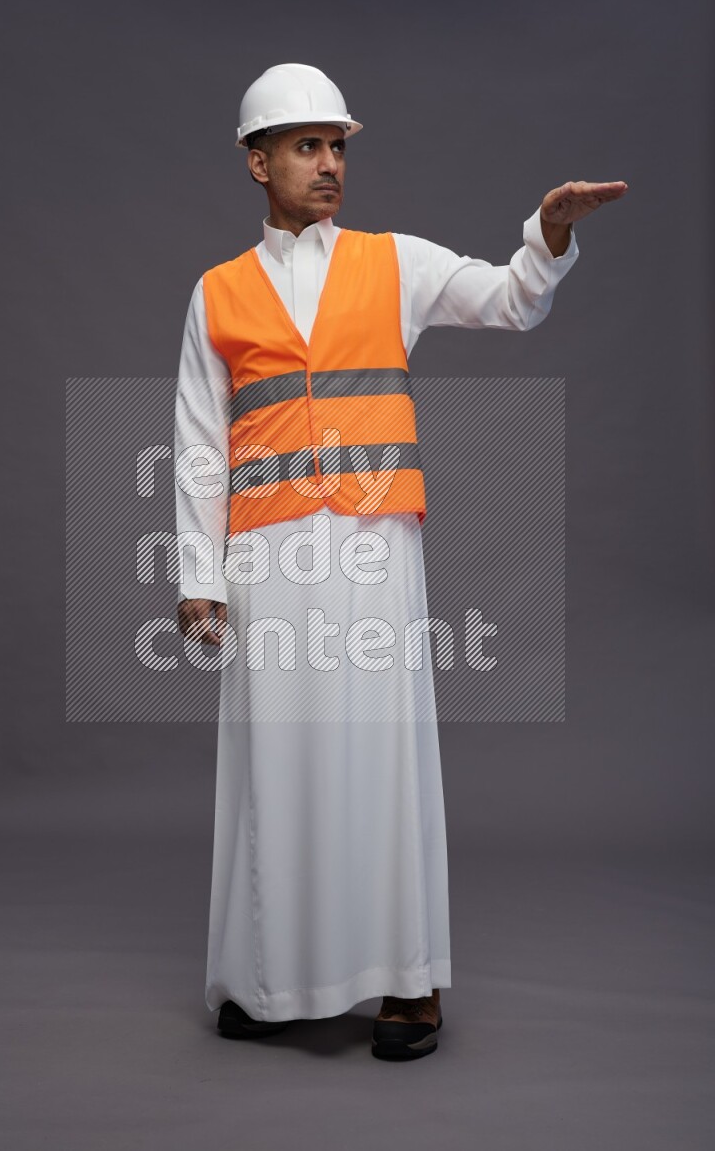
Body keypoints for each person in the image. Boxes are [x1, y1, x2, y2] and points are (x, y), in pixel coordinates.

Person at [173, 63, 627, 1060]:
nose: (329, 163)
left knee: (380, 760)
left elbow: (508, 301)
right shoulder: (215, 296)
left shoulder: (394, 262)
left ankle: (407, 985)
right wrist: (197, 577)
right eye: (306, 145)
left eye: (337, 145)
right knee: (273, 767)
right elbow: (201, 441)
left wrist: (546, 232)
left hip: (375, 550)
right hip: (266, 560)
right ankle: (264, 980)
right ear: (257, 161)